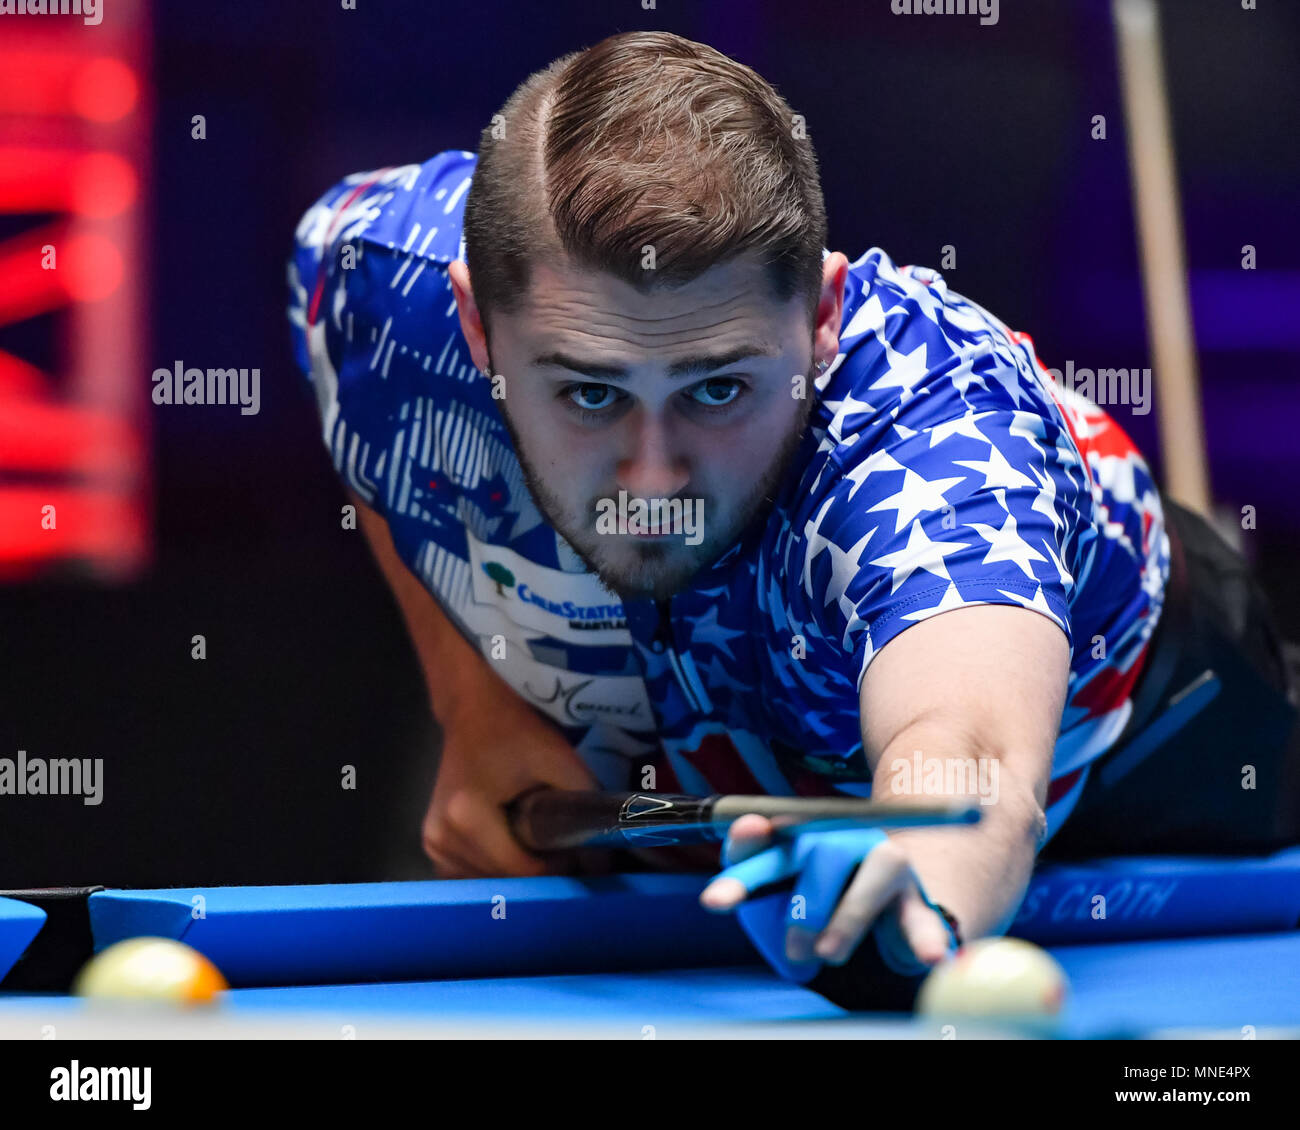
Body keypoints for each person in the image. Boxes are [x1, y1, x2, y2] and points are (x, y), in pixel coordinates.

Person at [287, 31, 1298, 1002]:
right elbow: (365, 407)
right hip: (715, 744)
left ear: (818, 316)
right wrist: (476, 705)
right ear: (472, 320)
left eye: (717, 388)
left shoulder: (935, 450)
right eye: (589, 393)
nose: (652, 479)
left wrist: (920, 844)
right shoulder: (380, 282)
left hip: (1150, 737)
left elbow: (972, 755)